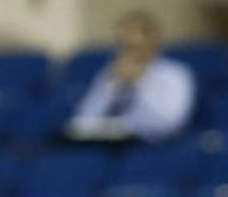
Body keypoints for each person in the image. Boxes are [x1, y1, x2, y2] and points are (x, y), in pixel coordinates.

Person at [64, 11, 195, 143]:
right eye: (124, 45)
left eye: (134, 46)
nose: (128, 51)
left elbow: (170, 124)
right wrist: (110, 87)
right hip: (108, 143)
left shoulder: (175, 74)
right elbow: (83, 122)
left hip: (154, 146)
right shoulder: (112, 72)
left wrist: (139, 83)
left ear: (153, 40)